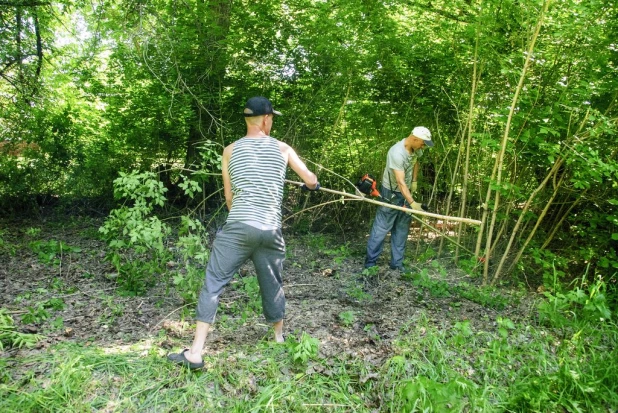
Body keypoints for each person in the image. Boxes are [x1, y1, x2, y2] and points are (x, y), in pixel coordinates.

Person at [168, 96, 319, 369]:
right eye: (272, 117)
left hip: (238, 226)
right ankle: (279, 338)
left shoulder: (229, 151)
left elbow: (229, 198)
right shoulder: (283, 149)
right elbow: (310, 180)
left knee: (214, 282)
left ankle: (195, 352)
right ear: (265, 119)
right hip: (270, 229)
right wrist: (312, 186)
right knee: (273, 283)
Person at [364, 127, 433, 272]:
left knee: (402, 228)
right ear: (414, 139)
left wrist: (414, 181)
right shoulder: (397, 153)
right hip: (391, 192)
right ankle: (370, 264)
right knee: (382, 227)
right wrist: (412, 203)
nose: (424, 146)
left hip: (406, 192)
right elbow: (400, 182)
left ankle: (397, 265)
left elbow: (415, 162)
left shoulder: (416, 148)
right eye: (423, 143)